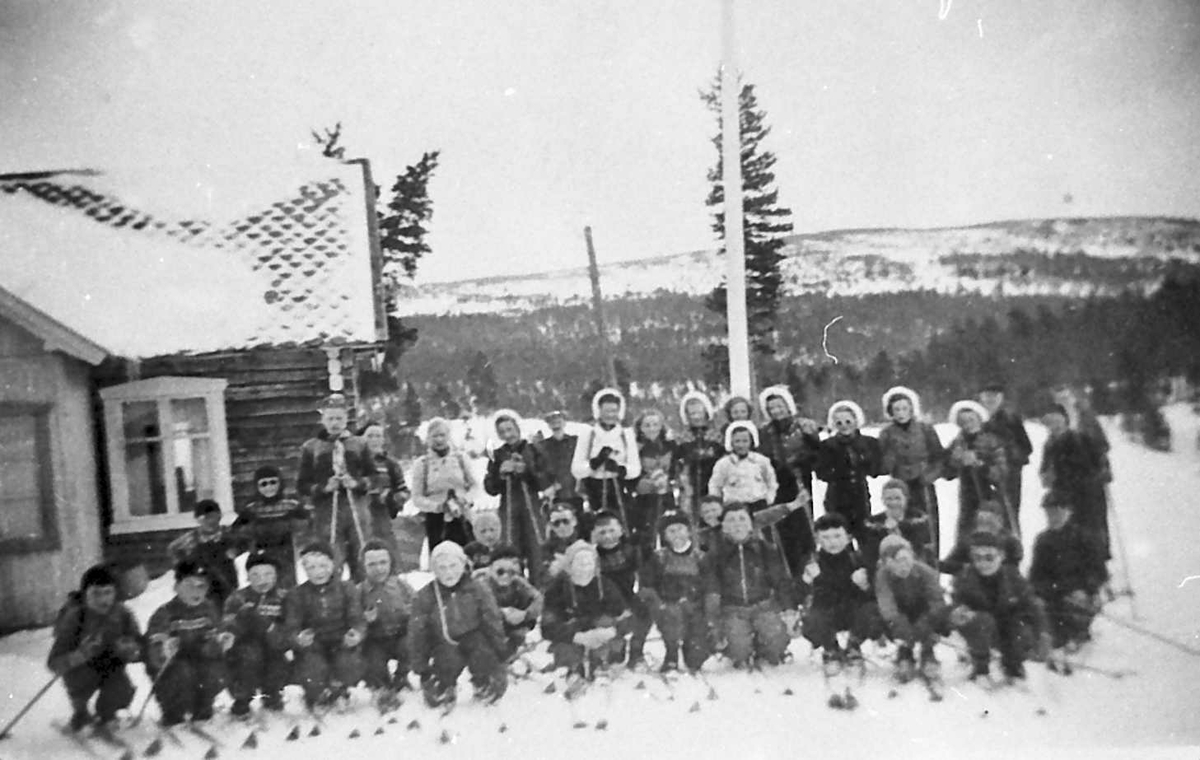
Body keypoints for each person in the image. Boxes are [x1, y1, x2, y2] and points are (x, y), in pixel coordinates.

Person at [409, 541, 508, 707]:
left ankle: (483, 681)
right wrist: (421, 667)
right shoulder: (426, 596)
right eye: (442, 568)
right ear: (434, 570)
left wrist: (500, 653)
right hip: (443, 642)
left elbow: (492, 620)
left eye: (453, 565)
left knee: (482, 652)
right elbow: (417, 632)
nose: (449, 572)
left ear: (463, 564)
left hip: (474, 639)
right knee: (447, 661)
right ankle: (445, 685)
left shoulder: (477, 588)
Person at [47, 565, 143, 731]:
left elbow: (140, 646)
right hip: (81, 670)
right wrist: (80, 655)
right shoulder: (75, 617)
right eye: (96, 594)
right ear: (85, 595)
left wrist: (129, 649)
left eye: (108, 593)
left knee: (122, 689)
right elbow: (54, 663)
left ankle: (107, 714)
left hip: (110, 666)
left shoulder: (122, 614)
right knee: (81, 683)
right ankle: (81, 712)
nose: (103, 600)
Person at [701, 503, 796, 669]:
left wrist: (789, 610)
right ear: (723, 526)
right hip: (732, 610)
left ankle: (764, 650)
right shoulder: (715, 555)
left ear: (751, 524)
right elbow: (712, 590)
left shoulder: (766, 549)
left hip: (764, 606)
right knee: (739, 652)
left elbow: (781, 582)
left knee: (775, 641)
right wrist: (714, 622)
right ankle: (741, 649)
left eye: (742, 519)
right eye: (731, 520)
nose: (737, 524)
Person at [949, 531, 1050, 682]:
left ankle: (1012, 663)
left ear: (1001, 556)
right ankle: (980, 665)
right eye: (977, 558)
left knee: (1023, 632)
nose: (983, 563)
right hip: (979, 628)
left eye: (989, 557)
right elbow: (956, 604)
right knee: (983, 621)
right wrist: (959, 613)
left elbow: (1032, 605)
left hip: (1005, 626)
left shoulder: (1013, 576)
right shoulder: (965, 579)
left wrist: (1043, 633)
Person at [296, 394, 375, 581]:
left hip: (356, 510)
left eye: (339, 418)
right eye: (330, 418)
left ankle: (364, 598)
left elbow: (375, 477)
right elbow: (302, 485)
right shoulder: (311, 448)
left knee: (362, 555)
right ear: (322, 419)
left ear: (346, 419)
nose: (335, 423)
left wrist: (357, 483)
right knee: (331, 557)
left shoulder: (359, 444)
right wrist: (323, 488)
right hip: (327, 513)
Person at [285, 542, 366, 709]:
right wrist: (299, 638)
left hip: (341, 642)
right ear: (305, 570)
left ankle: (338, 688)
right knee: (313, 668)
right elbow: (292, 626)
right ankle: (315, 692)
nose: (318, 572)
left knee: (348, 663)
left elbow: (357, 618)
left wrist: (356, 634)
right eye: (311, 567)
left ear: (332, 565)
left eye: (323, 565)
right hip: (313, 645)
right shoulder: (297, 594)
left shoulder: (346, 588)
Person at [145, 561, 225, 726]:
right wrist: (163, 648)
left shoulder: (209, 609)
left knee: (213, 671)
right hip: (174, 665)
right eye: (189, 585)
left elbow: (217, 633)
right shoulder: (165, 613)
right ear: (176, 587)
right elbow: (154, 641)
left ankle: (202, 707)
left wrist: (215, 645)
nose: (196, 591)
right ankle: (173, 712)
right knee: (183, 672)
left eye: (201, 586)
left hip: (200, 659)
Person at [800, 513, 882, 673]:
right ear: (817, 539)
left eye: (837, 536)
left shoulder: (858, 560)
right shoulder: (812, 562)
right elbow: (799, 594)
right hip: (826, 613)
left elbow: (876, 595)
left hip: (852, 614)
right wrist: (806, 582)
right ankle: (831, 648)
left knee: (872, 611)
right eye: (826, 537)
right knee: (812, 618)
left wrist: (866, 586)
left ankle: (853, 645)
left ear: (848, 537)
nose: (832, 542)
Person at [1028, 493, 1107, 654]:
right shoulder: (1043, 541)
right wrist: (1047, 591)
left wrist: (1086, 590)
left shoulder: (1083, 538)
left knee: (1078, 609)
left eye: (1057, 511)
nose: (1053, 517)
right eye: (1049, 512)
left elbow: (1098, 572)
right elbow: (1035, 577)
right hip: (1054, 596)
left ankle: (1078, 633)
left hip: (1079, 597)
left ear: (1068, 512)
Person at [757, 385, 821, 575]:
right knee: (783, 526)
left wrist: (804, 459)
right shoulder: (765, 432)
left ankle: (809, 567)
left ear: (788, 405)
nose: (776, 411)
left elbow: (817, 452)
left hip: (799, 478)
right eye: (771, 408)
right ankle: (790, 570)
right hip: (777, 482)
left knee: (804, 525)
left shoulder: (803, 426)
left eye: (779, 406)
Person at [540, 540, 631, 674]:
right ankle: (574, 671)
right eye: (579, 563)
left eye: (588, 563)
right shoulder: (557, 589)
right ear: (570, 566)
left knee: (613, 645)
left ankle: (602, 667)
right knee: (566, 653)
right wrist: (577, 636)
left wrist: (612, 630)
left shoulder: (606, 585)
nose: (584, 568)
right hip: (572, 636)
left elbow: (625, 616)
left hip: (601, 636)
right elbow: (548, 627)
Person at [1040, 404, 1110, 571]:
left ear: (1065, 420)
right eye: (1049, 422)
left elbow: (1099, 459)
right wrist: (1046, 476)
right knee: (1068, 532)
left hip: (1087, 492)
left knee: (1091, 530)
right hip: (1063, 494)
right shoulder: (1049, 444)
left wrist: (1102, 472)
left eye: (1057, 420)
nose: (1054, 425)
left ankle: (1098, 570)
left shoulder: (1080, 438)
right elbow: (1045, 470)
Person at [221, 551, 290, 717]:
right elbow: (228, 621)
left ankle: (271, 694)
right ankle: (243, 699)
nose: (262, 580)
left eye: (268, 574)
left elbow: (290, 624)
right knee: (249, 660)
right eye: (255, 575)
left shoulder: (284, 597)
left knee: (276, 665)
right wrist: (233, 630)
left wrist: (271, 628)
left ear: (276, 576)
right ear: (248, 577)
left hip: (273, 643)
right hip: (245, 646)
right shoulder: (238, 598)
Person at [639, 512, 708, 673]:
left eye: (680, 529)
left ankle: (694, 649)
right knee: (672, 622)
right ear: (664, 536)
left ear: (689, 531)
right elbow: (647, 585)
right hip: (669, 607)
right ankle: (671, 653)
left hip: (695, 606)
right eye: (671, 531)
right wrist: (658, 604)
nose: (677, 534)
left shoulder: (701, 557)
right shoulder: (659, 557)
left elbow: (710, 584)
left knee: (695, 659)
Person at [873, 535, 948, 683]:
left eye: (905, 560)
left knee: (937, 618)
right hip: (901, 614)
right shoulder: (882, 575)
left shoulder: (926, 572)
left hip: (923, 611)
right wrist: (897, 622)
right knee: (880, 618)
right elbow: (886, 601)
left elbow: (936, 599)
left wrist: (929, 620)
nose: (902, 566)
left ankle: (928, 651)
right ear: (886, 563)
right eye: (894, 561)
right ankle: (905, 652)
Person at [485, 410, 547, 584]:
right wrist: (500, 473)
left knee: (537, 550)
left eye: (510, 429)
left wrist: (526, 471)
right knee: (511, 550)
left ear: (517, 428)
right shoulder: (497, 455)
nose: (507, 435)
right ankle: (515, 589)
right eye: (503, 431)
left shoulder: (533, 449)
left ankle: (539, 591)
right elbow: (490, 487)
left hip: (532, 509)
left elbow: (543, 481)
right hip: (509, 509)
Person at [571, 388, 641, 528]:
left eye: (614, 411)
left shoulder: (626, 434)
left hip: (618, 489)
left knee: (621, 525)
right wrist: (594, 463)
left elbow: (635, 468)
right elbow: (576, 469)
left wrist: (620, 469)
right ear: (598, 411)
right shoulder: (588, 434)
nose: (610, 415)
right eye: (606, 411)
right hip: (594, 489)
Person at [358, 539, 415, 707]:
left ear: (391, 562)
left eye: (383, 562)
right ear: (364, 567)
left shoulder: (401, 586)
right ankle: (381, 685)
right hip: (375, 640)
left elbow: (417, 608)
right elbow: (352, 618)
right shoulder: (359, 591)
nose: (379, 569)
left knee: (411, 643)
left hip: (399, 636)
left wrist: (408, 612)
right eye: (372, 564)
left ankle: (402, 677)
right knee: (373, 660)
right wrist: (364, 619)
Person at [816, 400, 884, 542]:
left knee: (864, 532)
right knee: (839, 531)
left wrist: (865, 462)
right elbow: (822, 472)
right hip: (836, 496)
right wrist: (838, 468)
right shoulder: (828, 445)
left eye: (848, 421)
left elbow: (876, 468)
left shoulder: (868, 442)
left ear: (856, 420)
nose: (844, 426)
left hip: (860, 494)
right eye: (839, 423)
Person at [945, 400, 1010, 545]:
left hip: (989, 494)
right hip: (967, 494)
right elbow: (948, 471)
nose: (968, 424)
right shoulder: (958, 442)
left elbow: (1002, 472)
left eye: (971, 419)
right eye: (963, 421)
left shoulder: (992, 441)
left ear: (979, 419)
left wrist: (980, 464)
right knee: (967, 529)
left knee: (990, 529)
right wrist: (955, 460)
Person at [592, 511, 652, 669]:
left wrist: (645, 546)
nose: (607, 536)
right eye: (602, 532)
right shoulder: (592, 555)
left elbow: (645, 568)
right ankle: (612, 650)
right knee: (607, 624)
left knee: (646, 608)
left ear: (620, 530)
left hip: (627, 598)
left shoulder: (630, 550)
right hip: (603, 602)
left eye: (612, 531)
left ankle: (637, 651)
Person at [232, 465, 306, 587]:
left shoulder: (291, 504)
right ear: (257, 486)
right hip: (261, 552)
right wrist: (253, 533)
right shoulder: (251, 508)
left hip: (285, 551)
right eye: (264, 484)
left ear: (280, 483)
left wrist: (289, 527)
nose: (269, 487)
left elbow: (305, 525)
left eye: (273, 482)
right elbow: (238, 530)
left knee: (285, 584)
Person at [877, 386, 945, 519]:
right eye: (896, 409)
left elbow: (939, 458)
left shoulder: (925, 429)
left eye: (904, 408)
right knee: (903, 520)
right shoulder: (886, 433)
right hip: (899, 486)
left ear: (911, 409)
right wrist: (889, 461)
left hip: (923, 483)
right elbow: (881, 464)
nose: (901, 413)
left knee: (927, 521)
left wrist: (930, 475)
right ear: (890, 411)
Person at [410, 417, 475, 549]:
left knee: (468, 552)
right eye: (435, 436)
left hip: (462, 514)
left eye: (442, 435)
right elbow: (416, 497)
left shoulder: (460, 458)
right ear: (428, 438)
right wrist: (437, 507)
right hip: (436, 520)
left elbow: (475, 485)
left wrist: (466, 499)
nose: (439, 440)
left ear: (448, 436)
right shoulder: (422, 464)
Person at [979, 384, 1033, 533]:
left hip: (1009, 474)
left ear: (1001, 398)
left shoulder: (1010, 418)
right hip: (984, 473)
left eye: (994, 396)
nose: (990, 400)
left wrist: (1009, 460)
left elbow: (1026, 447)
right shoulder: (978, 417)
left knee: (1008, 513)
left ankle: (1013, 548)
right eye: (987, 396)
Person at [475, 545, 545, 660]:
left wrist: (525, 614)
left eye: (511, 572)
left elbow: (539, 599)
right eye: (500, 571)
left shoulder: (517, 582)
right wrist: (503, 613)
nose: (506, 576)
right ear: (490, 568)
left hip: (514, 629)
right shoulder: (481, 585)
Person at [167, 499, 240, 608]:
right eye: (204, 518)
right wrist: (182, 566)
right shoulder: (191, 539)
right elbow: (173, 549)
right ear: (198, 520)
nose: (209, 521)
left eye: (213, 516)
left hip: (227, 583)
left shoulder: (229, 534)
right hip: (202, 587)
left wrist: (235, 552)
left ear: (220, 516)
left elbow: (244, 546)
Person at [630, 408, 679, 560]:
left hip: (666, 494)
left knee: (667, 528)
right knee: (646, 534)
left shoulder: (669, 445)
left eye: (655, 424)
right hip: (644, 496)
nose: (652, 428)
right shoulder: (635, 448)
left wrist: (671, 480)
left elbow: (677, 467)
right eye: (647, 425)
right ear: (640, 428)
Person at [360, 420, 411, 555]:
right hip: (360, 514)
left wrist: (391, 498)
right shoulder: (355, 462)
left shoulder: (390, 464)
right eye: (370, 436)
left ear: (383, 439)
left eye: (378, 436)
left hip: (383, 516)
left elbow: (404, 491)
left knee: (385, 550)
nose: (374, 440)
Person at [860, 479, 934, 571]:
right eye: (889, 499)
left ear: (906, 498)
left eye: (897, 498)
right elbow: (870, 554)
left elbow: (922, 548)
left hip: (914, 569)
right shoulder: (872, 524)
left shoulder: (919, 520)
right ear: (882, 500)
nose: (893, 503)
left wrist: (900, 527)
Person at [939, 504, 1023, 577]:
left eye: (989, 522)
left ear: (1000, 521)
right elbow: (949, 564)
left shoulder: (1011, 542)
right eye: (981, 521)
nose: (984, 525)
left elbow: (1012, 567)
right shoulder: (967, 542)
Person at [708, 422, 778, 510]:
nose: (741, 445)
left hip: (759, 504)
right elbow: (715, 485)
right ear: (731, 442)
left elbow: (771, 481)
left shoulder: (761, 460)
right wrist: (718, 504)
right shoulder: (723, 464)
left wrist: (769, 499)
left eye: (745, 441)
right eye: (737, 441)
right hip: (733, 507)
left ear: (751, 441)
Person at [533, 410, 582, 511]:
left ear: (564, 423)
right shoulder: (544, 446)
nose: (556, 425)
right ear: (549, 426)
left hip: (576, 492)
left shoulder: (575, 442)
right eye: (553, 423)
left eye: (559, 422)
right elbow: (540, 469)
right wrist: (548, 486)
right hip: (556, 495)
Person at [541, 502, 582, 581]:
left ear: (574, 521)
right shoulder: (546, 549)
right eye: (556, 523)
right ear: (551, 526)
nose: (562, 526)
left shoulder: (585, 541)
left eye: (566, 521)